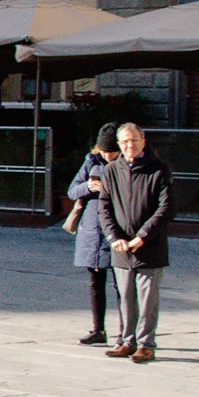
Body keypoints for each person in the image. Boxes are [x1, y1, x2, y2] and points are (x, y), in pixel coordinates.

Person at [98, 122, 173, 364]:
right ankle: (127, 341)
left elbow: (166, 209)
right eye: (125, 142)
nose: (130, 145)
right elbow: (104, 209)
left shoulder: (159, 169)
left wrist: (142, 236)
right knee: (126, 297)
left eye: (134, 140)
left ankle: (146, 344)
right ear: (119, 145)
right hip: (121, 248)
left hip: (150, 246)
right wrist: (114, 237)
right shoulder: (110, 171)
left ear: (143, 141)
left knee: (147, 297)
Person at [67, 123, 121, 346]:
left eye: (112, 151)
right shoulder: (91, 161)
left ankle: (127, 333)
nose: (108, 156)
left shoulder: (126, 164)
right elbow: (72, 191)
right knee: (95, 283)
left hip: (117, 230)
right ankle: (98, 329)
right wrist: (89, 186)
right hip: (92, 231)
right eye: (104, 151)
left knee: (123, 285)